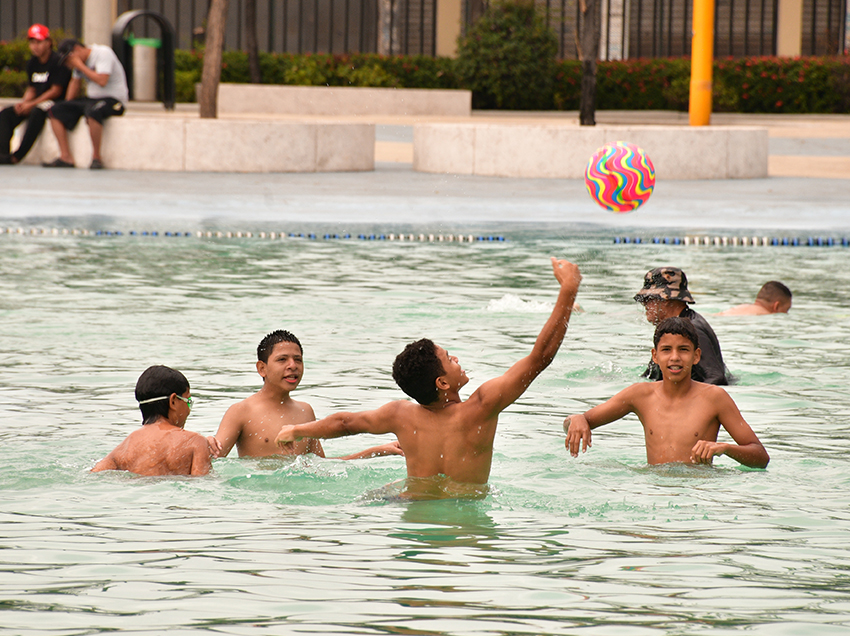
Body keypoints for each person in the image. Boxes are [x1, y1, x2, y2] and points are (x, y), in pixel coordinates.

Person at [274, 258, 582, 493]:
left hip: (412, 507)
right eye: (449, 358)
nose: (457, 358)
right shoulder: (481, 408)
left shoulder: (400, 415)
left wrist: (298, 430)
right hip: (466, 519)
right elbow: (539, 358)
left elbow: (345, 423)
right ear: (442, 383)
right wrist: (567, 290)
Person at [565, 317, 769, 468]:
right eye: (666, 350)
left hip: (699, 490)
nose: (675, 357)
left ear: (696, 356)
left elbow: (761, 457)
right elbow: (578, 424)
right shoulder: (640, 394)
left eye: (683, 349)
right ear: (655, 355)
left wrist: (724, 448)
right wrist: (576, 419)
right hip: (654, 488)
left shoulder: (715, 398)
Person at [208, 330, 403, 460]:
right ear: (262, 368)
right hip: (261, 508)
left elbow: (321, 466)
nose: (292, 365)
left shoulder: (304, 411)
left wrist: (378, 451)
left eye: (298, 360)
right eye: (282, 359)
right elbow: (212, 461)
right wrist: (203, 443)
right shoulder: (241, 411)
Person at [92, 366, 213, 476]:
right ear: (173, 401)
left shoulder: (124, 448)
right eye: (188, 401)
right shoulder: (195, 442)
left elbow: (94, 475)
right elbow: (204, 485)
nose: (189, 410)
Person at [634, 267, 730, 385]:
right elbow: (650, 377)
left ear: (666, 299)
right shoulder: (672, 329)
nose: (644, 304)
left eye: (648, 298)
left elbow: (716, 378)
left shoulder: (692, 329)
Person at [43, 38, 128, 169]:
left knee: (93, 111)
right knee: (55, 110)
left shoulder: (103, 53)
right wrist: (67, 106)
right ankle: (65, 157)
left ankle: (96, 158)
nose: (68, 64)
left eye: (68, 60)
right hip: (91, 98)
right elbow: (75, 83)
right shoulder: (78, 64)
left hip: (113, 100)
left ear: (77, 49)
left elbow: (102, 81)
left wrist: (80, 65)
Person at [0, 24, 72, 165]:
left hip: (55, 102)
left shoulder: (57, 61)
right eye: (32, 43)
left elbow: (55, 91)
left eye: (38, 42)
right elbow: (32, 88)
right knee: (6, 113)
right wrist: (24, 103)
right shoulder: (32, 63)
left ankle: (17, 156)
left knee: (37, 113)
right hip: (36, 101)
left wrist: (31, 104)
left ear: (48, 43)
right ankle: (2, 154)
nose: (35, 46)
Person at [717, 281, 792, 316]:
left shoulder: (741, 307)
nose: (787, 313)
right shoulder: (764, 315)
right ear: (776, 306)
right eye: (786, 309)